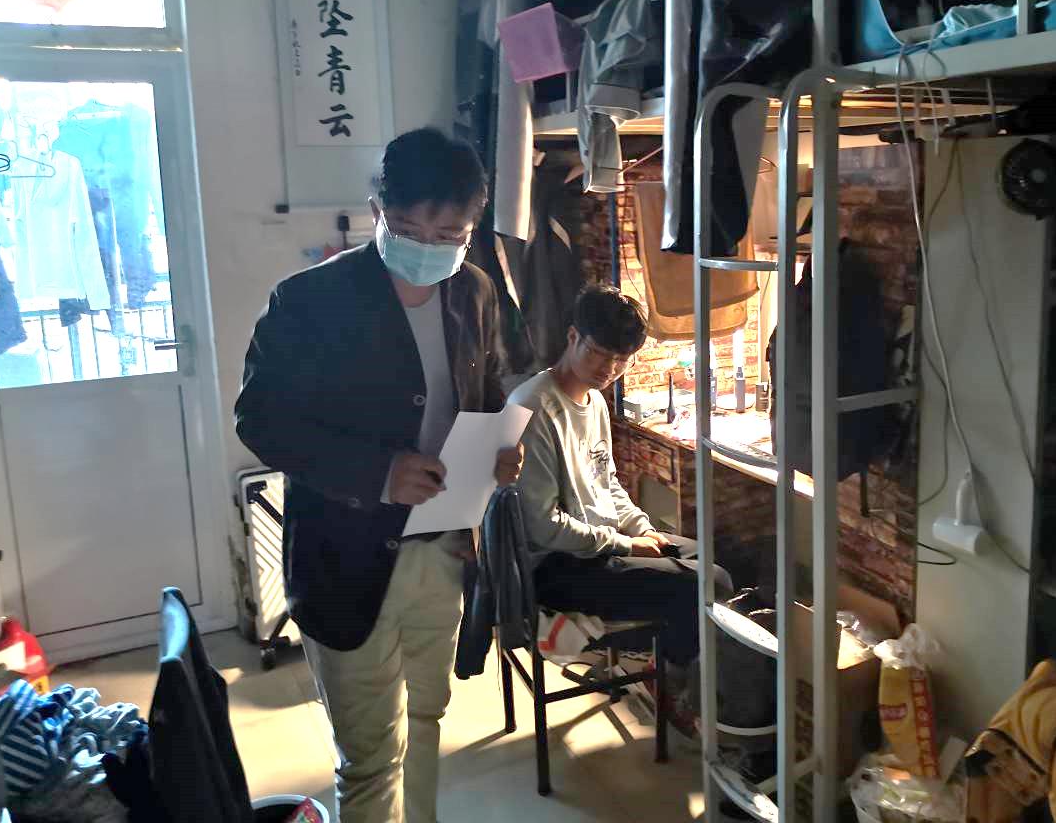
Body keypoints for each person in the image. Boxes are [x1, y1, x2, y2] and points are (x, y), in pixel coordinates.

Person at [235, 127, 523, 823]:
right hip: (346, 557)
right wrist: (377, 473)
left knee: (427, 722)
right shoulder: (308, 301)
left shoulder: (473, 290)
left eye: (448, 233)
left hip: (443, 550)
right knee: (368, 757)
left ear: (471, 228)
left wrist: (496, 452)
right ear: (376, 211)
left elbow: (484, 390)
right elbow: (261, 420)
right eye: (409, 229)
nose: (427, 247)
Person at [510, 284, 732, 706]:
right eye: (599, 353)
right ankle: (664, 678)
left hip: (597, 545)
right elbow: (542, 526)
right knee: (707, 583)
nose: (608, 369)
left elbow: (607, 483)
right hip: (555, 566)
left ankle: (660, 665)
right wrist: (627, 545)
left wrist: (642, 530)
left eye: (621, 360)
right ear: (573, 336)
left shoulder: (594, 402)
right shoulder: (533, 408)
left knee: (710, 560)